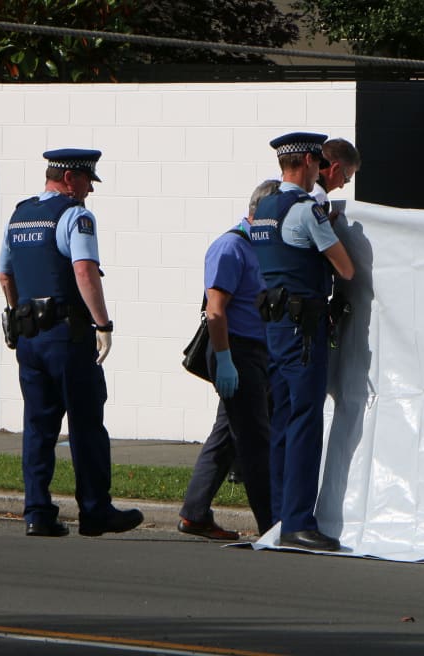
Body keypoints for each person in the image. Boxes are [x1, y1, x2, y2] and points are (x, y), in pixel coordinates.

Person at [0, 148, 143, 538]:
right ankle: (95, 511)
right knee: (86, 423)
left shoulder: (19, 214)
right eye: (86, 181)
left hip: (30, 338)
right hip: (67, 336)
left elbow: (5, 277)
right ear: (67, 179)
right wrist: (103, 323)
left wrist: (16, 314)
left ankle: (37, 513)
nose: (89, 191)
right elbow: (84, 271)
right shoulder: (75, 216)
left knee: (38, 426)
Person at [250, 132, 355, 551]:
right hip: (303, 328)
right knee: (306, 423)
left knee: (282, 421)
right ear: (311, 163)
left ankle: (279, 516)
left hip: (273, 324)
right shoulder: (305, 209)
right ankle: (298, 523)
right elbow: (345, 269)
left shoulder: (264, 209)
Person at [178, 180, 280, 540]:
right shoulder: (230, 247)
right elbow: (216, 312)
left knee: (226, 436)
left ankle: (194, 513)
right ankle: (272, 525)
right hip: (235, 349)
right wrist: (224, 360)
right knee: (255, 440)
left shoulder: (260, 246)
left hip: (253, 351)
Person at [311, 138, 361, 214]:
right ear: (335, 169)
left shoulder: (298, 187)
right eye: (345, 180)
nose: (341, 186)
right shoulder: (318, 196)